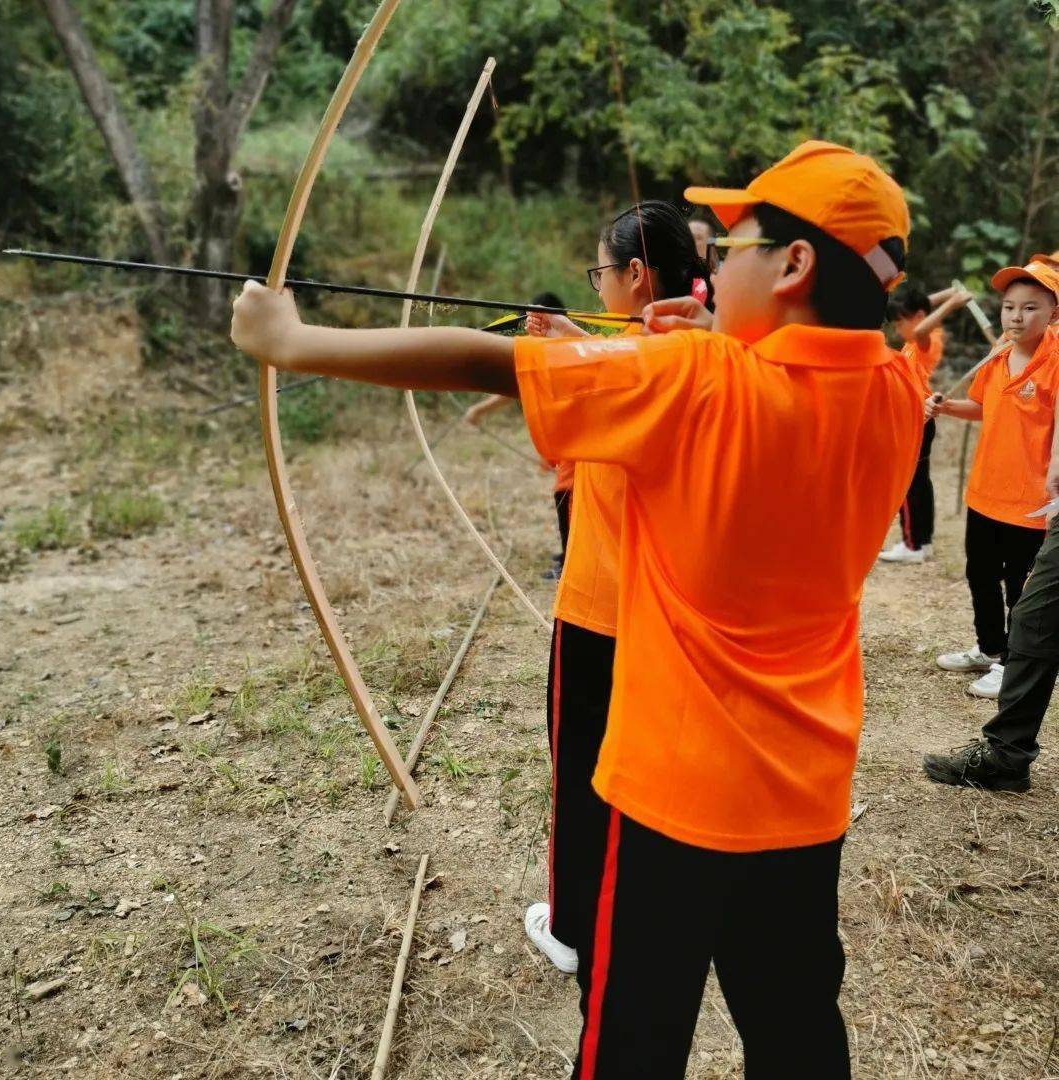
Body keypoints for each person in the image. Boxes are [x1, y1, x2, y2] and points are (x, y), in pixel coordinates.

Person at [231, 140, 922, 1080]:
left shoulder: (694, 383)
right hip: (805, 795)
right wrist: (694, 337)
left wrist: (293, 343)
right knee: (797, 1025)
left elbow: (491, 363)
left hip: (674, 798)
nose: (714, 268)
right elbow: (811, 374)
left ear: (794, 266)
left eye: (734, 249)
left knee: (631, 1036)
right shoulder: (896, 391)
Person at [520, 201, 709, 976]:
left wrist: (296, 343)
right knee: (642, 765)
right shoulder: (697, 357)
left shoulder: (628, 364)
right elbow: (624, 362)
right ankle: (640, 905)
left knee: (581, 767)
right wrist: (578, 340)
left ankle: (571, 927)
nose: (594, 284)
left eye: (600, 271)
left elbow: (487, 369)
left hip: (598, 606)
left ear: (635, 275)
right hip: (665, 611)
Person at [923, 255, 1059, 790]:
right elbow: (983, 408)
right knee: (979, 572)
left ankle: (1008, 658)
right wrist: (947, 408)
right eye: (1008, 307)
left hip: (1032, 503)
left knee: (1020, 590)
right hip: (986, 493)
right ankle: (988, 647)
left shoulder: (1053, 363)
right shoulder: (998, 356)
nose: (1016, 317)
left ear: (1053, 313)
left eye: (1031, 307)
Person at [462, 291, 572, 579]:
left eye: (540, 316)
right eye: (530, 315)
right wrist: (479, 411)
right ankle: (569, 555)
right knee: (567, 500)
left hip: (574, 446)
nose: (533, 321)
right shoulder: (539, 348)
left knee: (566, 498)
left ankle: (570, 564)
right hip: (558, 443)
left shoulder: (565, 349)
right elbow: (514, 388)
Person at [879, 283, 973, 564]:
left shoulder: (925, 339)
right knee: (919, 482)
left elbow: (919, 325)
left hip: (918, 417)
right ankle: (923, 542)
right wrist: (949, 294)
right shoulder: (914, 338)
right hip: (919, 417)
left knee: (909, 483)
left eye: (900, 322)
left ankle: (912, 544)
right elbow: (921, 309)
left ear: (918, 318)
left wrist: (953, 304)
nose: (897, 329)